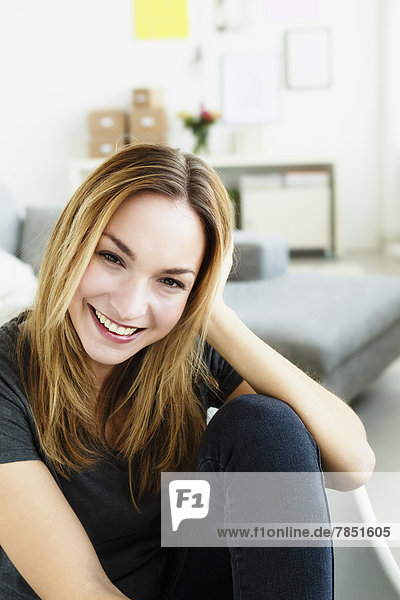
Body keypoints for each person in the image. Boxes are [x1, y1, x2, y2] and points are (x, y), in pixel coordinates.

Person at [0, 143, 375, 600]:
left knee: (265, 423)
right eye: (112, 258)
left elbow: (352, 466)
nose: (130, 306)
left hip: (186, 580)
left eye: (170, 280)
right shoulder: (8, 375)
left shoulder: (177, 349)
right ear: (72, 243)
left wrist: (214, 315)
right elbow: (83, 589)